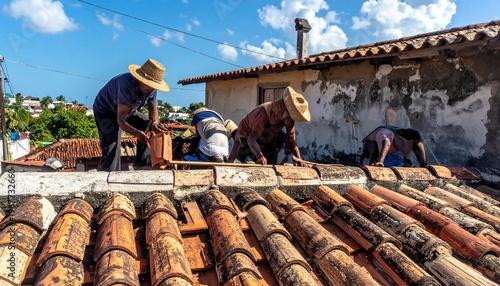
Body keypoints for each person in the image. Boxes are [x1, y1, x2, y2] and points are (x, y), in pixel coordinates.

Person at [93, 58, 169, 171]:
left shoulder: (152, 89)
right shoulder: (125, 84)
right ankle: (109, 175)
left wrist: (155, 123)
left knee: (146, 125)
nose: (151, 88)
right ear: (141, 79)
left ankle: (141, 164)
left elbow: (153, 110)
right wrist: (137, 133)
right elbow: (121, 119)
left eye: (153, 86)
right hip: (106, 111)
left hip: (129, 111)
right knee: (112, 145)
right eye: (149, 85)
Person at [227, 86, 310, 166]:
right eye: (290, 116)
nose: (290, 120)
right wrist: (260, 157)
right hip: (248, 137)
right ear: (285, 111)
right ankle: (243, 155)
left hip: (266, 137)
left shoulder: (289, 119)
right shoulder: (265, 111)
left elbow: (291, 140)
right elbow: (251, 138)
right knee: (260, 159)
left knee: (272, 156)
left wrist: (299, 158)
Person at [361, 126, 427, 167]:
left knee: (398, 161)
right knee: (376, 149)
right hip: (372, 143)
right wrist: (380, 162)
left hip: (390, 146)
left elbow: (418, 147)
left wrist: (423, 164)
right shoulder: (386, 135)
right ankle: (373, 164)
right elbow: (386, 142)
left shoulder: (408, 140)